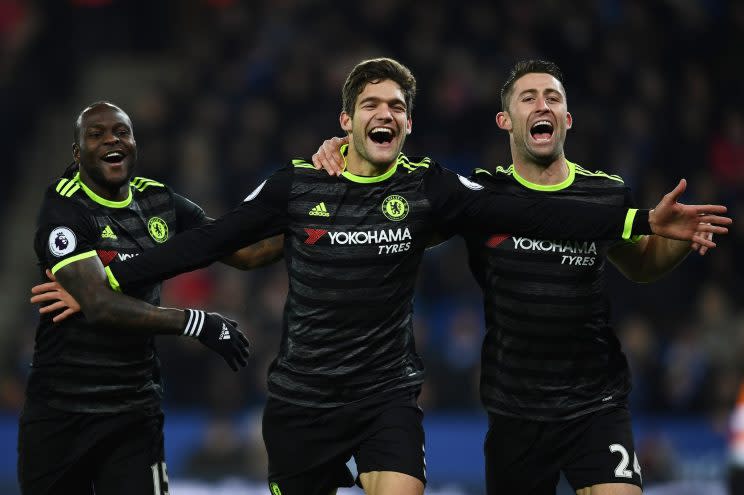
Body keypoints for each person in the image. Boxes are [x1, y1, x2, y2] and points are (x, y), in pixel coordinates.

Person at [34, 59, 729, 495]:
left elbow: (525, 210)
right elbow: (210, 241)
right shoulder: (299, 183)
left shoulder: (431, 188)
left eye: (397, 105)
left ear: (408, 122)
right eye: (372, 104)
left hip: (386, 397)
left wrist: (638, 222)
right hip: (301, 399)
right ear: (346, 120)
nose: (385, 113)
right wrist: (112, 273)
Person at [310, 59, 726, 495]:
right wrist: (349, 150)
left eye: (553, 98)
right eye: (528, 98)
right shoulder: (480, 199)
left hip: (596, 405)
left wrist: (677, 241)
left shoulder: (605, 193)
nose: (541, 105)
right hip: (514, 413)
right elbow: (395, 222)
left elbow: (642, 265)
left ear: (566, 119)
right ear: (505, 120)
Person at [19, 101, 253, 495]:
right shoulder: (64, 207)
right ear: (77, 154)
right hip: (60, 415)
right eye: (96, 134)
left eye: (122, 132)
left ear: (134, 144)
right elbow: (98, 305)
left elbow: (241, 249)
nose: (112, 139)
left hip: (133, 413)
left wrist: (296, 210)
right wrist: (198, 322)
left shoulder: (159, 201)